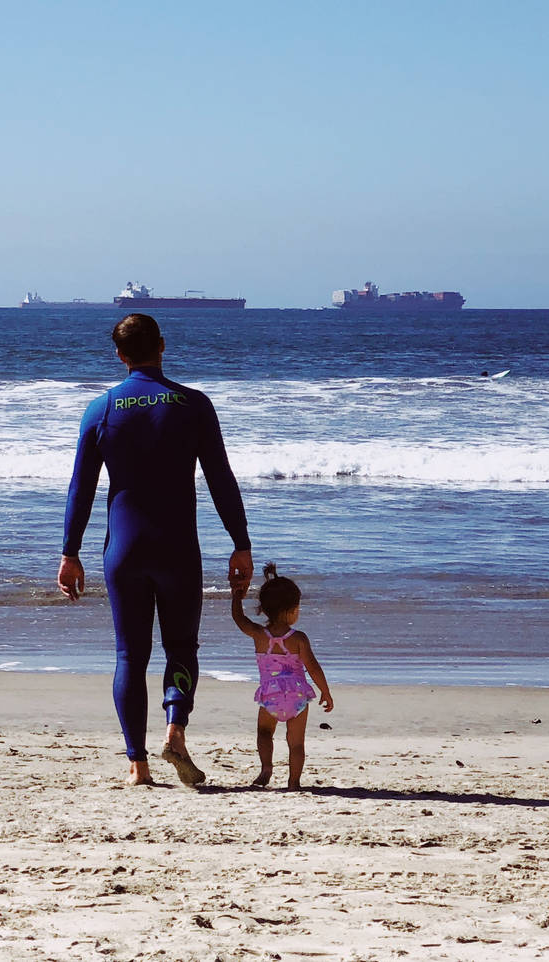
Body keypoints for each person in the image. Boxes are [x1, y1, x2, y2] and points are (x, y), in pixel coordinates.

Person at [59, 313, 252, 787]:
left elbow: (79, 490)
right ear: (162, 346)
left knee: (130, 656)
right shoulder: (193, 405)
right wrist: (240, 544)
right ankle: (175, 729)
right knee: (182, 647)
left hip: (123, 550)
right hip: (178, 548)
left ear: (120, 355)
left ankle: (137, 765)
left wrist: (70, 553)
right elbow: (221, 480)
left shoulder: (100, 409)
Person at [231, 564, 334, 788]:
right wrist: (325, 691)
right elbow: (313, 668)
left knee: (264, 733)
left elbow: (239, 620)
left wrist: (236, 596)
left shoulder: (259, 635)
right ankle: (294, 782)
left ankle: (266, 768)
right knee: (296, 743)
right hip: (297, 696)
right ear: (290, 610)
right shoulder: (298, 638)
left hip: (272, 696)